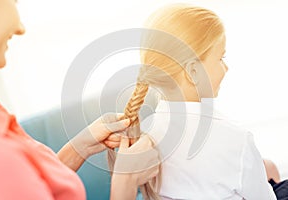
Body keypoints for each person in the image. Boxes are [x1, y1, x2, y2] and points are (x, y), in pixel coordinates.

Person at [0, 0, 159, 199]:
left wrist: (78, 148)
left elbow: (30, 187)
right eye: (13, 1)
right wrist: (126, 183)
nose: (21, 29)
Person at [118, 3, 278, 199]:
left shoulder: (146, 131)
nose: (226, 67)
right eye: (221, 58)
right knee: (272, 173)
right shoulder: (237, 139)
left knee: (267, 166)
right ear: (193, 71)